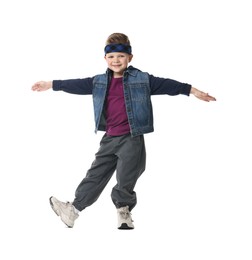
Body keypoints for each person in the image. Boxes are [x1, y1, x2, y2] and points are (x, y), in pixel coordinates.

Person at [32, 32, 216, 230]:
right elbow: (75, 84)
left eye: (120, 56)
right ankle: (73, 210)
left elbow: (168, 85)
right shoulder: (100, 81)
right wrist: (51, 85)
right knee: (95, 174)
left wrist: (194, 91)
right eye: (111, 57)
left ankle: (123, 212)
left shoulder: (142, 80)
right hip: (109, 137)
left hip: (131, 137)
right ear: (105, 59)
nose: (116, 60)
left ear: (129, 57)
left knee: (126, 176)